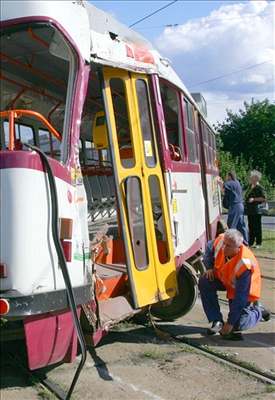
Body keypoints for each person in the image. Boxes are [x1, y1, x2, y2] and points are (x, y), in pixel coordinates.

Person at [198, 229, 270, 340]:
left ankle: (258, 311)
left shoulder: (245, 264)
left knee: (238, 324)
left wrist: (230, 324)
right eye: (224, 244)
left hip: (242, 290)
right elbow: (209, 247)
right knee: (205, 281)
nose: (224, 248)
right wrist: (209, 267)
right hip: (224, 278)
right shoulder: (222, 240)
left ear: (238, 248)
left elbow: (240, 298)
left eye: (228, 246)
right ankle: (216, 320)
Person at [217, 171, 249, 245]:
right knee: (241, 225)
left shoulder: (230, 183)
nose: (226, 178)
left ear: (229, 176)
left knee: (231, 225)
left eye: (226, 176)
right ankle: (245, 242)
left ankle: (231, 243)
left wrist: (218, 180)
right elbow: (225, 190)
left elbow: (223, 186)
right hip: (240, 205)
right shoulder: (237, 183)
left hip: (235, 206)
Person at [245, 170, 266, 248]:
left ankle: (258, 243)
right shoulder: (250, 186)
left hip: (257, 210)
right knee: (251, 226)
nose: (250, 178)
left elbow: (263, 198)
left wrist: (254, 199)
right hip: (250, 210)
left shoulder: (260, 187)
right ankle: (251, 242)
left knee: (257, 226)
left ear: (256, 178)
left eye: (252, 177)